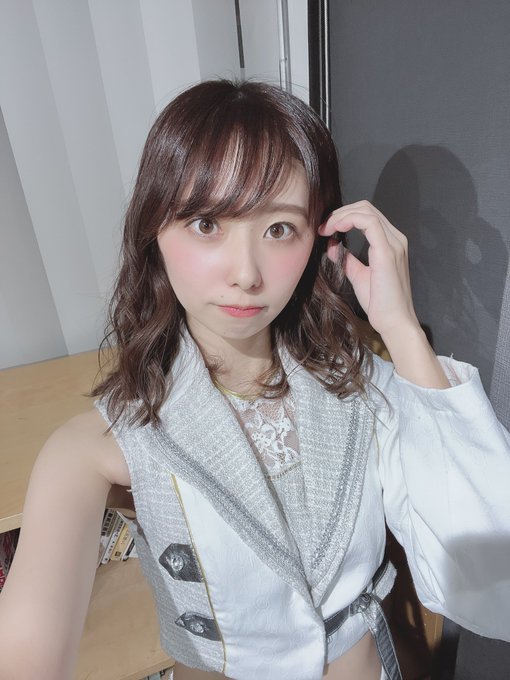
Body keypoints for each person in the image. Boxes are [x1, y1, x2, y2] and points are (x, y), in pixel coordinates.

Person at [0, 79, 509, 680]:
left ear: (319, 238)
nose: (246, 273)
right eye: (207, 224)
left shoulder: (359, 386)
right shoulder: (99, 446)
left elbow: (492, 577)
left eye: (279, 229)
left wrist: (400, 328)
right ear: (154, 231)